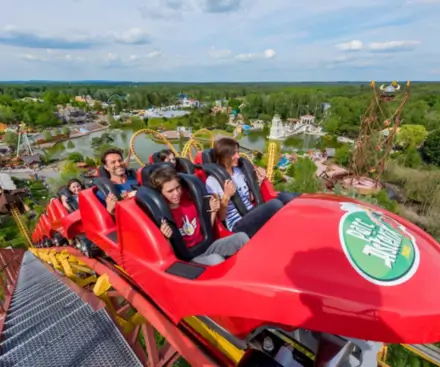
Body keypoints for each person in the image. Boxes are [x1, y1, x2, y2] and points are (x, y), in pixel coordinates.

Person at [150, 165, 249, 266]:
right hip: (189, 258)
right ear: (161, 193)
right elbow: (169, 254)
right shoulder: (164, 216)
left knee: (242, 237)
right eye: (170, 191)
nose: (176, 193)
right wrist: (165, 237)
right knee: (216, 260)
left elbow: (206, 230)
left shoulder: (190, 203)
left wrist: (213, 212)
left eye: (177, 188)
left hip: (207, 247)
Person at [206, 138, 299, 238]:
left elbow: (250, 198)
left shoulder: (239, 171)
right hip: (237, 224)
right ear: (224, 156)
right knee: (275, 204)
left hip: (251, 212)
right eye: (234, 154)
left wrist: (258, 181)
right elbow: (221, 217)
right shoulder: (213, 181)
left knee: (286, 197)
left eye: (238, 152)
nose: (238, 156)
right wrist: (226, 196)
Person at [97, 148, 138, 215]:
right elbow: (107, 222)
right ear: (106, 167)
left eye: (120, 160)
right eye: (113, 162)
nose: (118, 164)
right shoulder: (104, 192)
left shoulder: (136, 177)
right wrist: (110, 210)